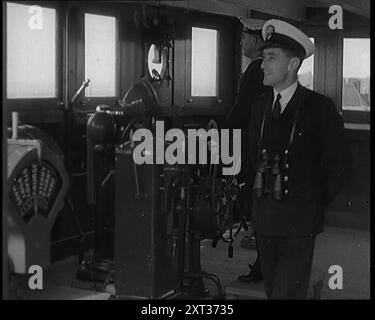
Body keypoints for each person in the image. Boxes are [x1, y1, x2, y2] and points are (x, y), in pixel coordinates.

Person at [248, 19, 350, 299]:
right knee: (273, 292)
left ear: (293, 64)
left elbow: (338, 167)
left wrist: (311, 202)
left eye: (271, 58)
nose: (263, 65)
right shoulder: (259, 107)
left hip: (299, 222)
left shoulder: (319, 108)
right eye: (263, 58)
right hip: (265, 220)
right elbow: (252, 158)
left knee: (287, 294)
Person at [224, 18, 269, 283]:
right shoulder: (265, 68)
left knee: (258, 208)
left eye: (243, 38)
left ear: (254, 40)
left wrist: (219, 132)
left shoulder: (255, 70)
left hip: (253, 150)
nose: (241, 42)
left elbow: (240, 111)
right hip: (263, 148)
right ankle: (264, 263)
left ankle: (264, 265)